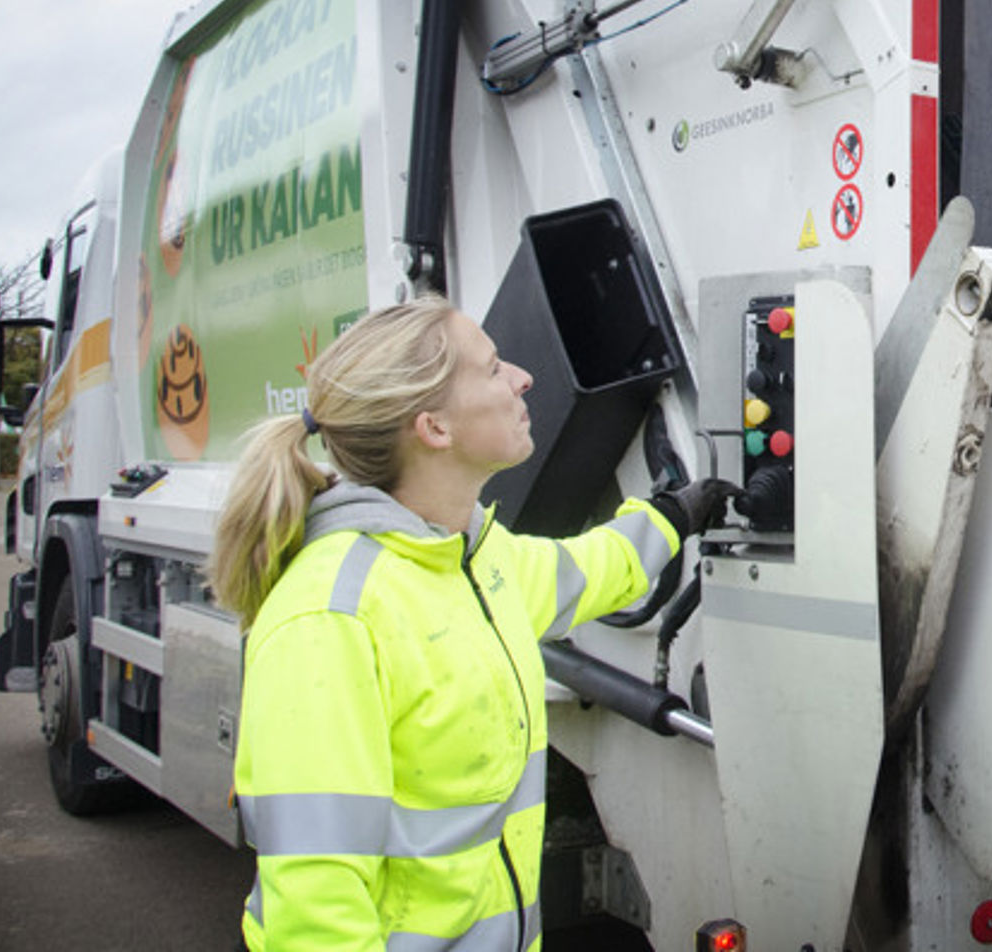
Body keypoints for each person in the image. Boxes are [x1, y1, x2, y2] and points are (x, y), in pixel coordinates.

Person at [208, 295, 734, 951]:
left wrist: (677, 515)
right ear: (433, 429)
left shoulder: (475, 561)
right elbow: (316, 906)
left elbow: (588, 569)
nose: (522, 378)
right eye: (491, 370)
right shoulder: (331, 617)